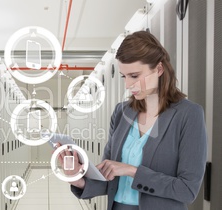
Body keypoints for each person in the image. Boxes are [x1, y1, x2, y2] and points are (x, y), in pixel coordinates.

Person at [64, 31, 207, 210]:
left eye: (134, 76)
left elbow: (187, 190)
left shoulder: (188, 114)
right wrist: (78, 179)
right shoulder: (122, 112)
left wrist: (132, 171)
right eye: (124, 77)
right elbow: (110, 179)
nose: (128, 85)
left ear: (159, 69)